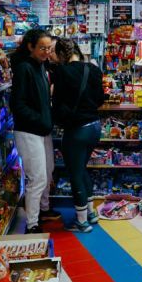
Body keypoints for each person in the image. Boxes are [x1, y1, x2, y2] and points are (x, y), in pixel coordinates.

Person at [51, 38, 106, 232]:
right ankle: (91, 213)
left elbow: (57, 104)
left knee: (75, 173)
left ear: (61, 55)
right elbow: (100, 98)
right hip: (94, 127)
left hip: (76, 130)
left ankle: (81, 221)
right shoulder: (93, 69)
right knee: (82, 169)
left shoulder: (61, 72)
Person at [9, 28, 60, 233]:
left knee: (47, 173)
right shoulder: (24, 69)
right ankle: (32, 224)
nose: (47, 52)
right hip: (29, 131)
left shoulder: (41, 66)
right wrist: (40, 120)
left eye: (49, 48)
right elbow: (18, 104)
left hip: (42, 130)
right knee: (37, 178)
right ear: (30, 46)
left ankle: (43, 209)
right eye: (42, 48)